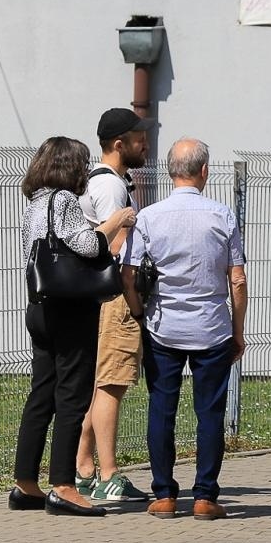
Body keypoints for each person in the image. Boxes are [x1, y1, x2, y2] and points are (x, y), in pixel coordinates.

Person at [122, 139, 247, 521]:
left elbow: (127, 273)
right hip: (212, 327)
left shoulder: (149, 217)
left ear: (171, 171)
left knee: (162, 409)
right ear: (204, 171)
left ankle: (163, 495)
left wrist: (140, 312)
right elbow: (237, 280)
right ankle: (205, 497)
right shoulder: (222, 216)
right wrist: (237, 330)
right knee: (209, 413)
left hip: (163, 326)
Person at [11, 137, 135, 516]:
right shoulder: (63, 199)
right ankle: (64, 485)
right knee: (72, 396)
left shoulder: (35, 203)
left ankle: (25, 483)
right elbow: (87, 246)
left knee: (42, 393)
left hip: (41, 307)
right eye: (81, 164)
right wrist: (117, 221)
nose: (84, 170)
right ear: (68, 166)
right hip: (70, 310)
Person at [75, 108, 151, 503]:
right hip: (114, 298)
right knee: (111, 385)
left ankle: (84, 466)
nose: (146, 144)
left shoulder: (104, 182)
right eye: (139, 138)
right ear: (119, 144)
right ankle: (108, 475)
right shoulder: (111, 189)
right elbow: (112, 249)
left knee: (99, 385)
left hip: (98, 299)